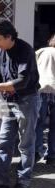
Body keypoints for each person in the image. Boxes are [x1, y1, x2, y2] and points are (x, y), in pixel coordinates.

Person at [0, 18, 40, 188]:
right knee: (4, 141)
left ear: (9, 36)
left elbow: (22, 82)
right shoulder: (0, 52)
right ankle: (0, 181)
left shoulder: (25, 50)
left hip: (27, 99)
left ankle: (23, 181)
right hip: (8, 101)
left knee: (26, 143)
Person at [35, 34, 55, 165]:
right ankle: (52, 155)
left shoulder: (40, 52)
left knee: (38, 124)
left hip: (41, 89)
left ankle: (37, 151)